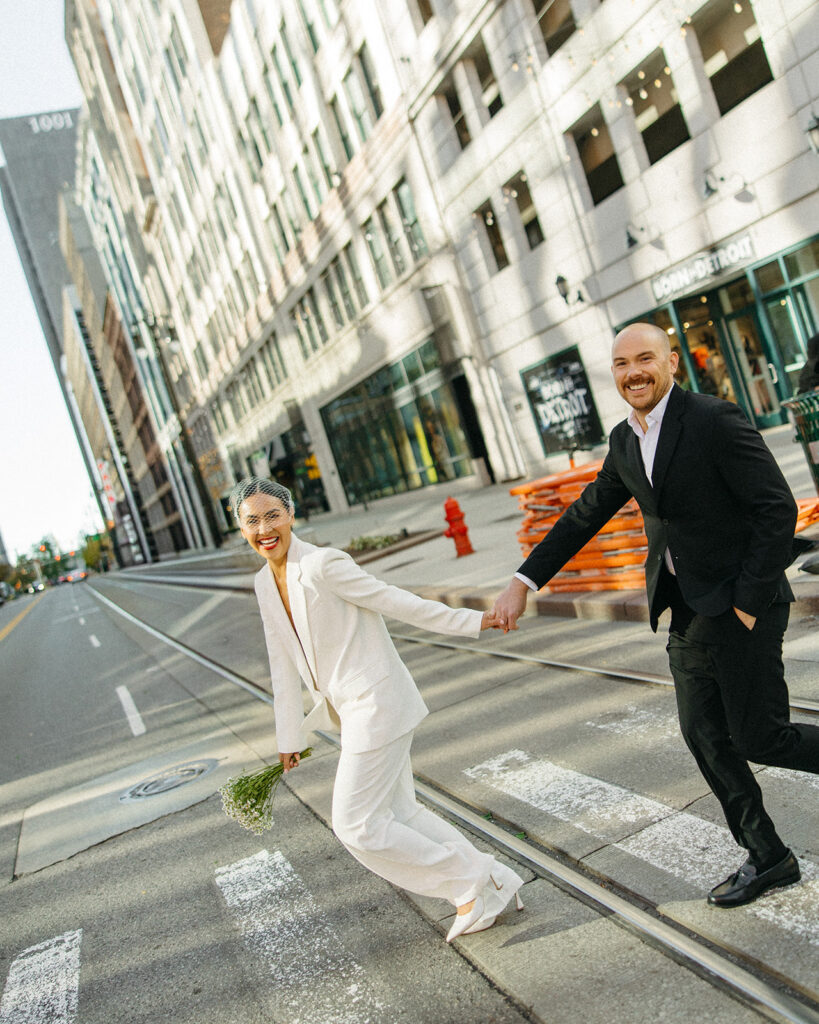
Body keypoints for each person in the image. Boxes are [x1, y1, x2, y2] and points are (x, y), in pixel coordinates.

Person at [492, 322, 819, 908]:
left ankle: (769, 852)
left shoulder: (713, 419)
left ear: (672, 361)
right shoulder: (624, 440)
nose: (634, 372)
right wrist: (524, 580)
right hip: (688, 611)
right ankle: (768, 855)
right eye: (621, 364)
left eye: (645, 359)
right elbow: (582, 515)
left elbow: (776, 510)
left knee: (761, 739)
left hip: (742, 605)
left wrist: (747, 602)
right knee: (705, 737)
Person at [230, 476, 524, 941]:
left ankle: (471, 884)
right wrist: (290, 738)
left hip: (377, 702)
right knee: (401, 816)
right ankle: (491, 879)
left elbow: (394, 600)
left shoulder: (323, 564)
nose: (265, 528)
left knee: (356, 825)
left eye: (273, 516)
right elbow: (281, 662)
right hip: (354, 713)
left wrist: (472, 620)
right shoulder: (264, 583)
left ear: (291, 517)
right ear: (240, 529)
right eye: (252, 521)